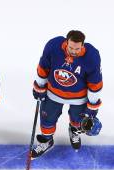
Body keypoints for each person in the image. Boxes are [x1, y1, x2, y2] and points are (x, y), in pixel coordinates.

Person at [31, 30, 103, 159]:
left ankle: (74, 130)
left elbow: (95, 83)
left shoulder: (92, 55)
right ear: (66, 42)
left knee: (78, 120)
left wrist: (92, 106)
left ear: (83, 45)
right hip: (53, 93)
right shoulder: (53, 46)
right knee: (47, 119)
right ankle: (47, 140)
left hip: (79, 98)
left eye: (77, 48)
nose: (74, 51)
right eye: (71, 47)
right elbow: (43, 68)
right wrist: (40, 86)